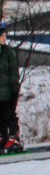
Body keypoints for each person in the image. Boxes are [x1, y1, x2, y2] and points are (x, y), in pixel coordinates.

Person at [0, 20, 22, 154]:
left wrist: (14, 89)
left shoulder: (8, 53)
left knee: (9, 115)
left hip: (7, 92)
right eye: (2, 36)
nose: (4, 38)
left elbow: (13, 72)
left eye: (5, 35)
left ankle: (14, 137)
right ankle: (3, 137)